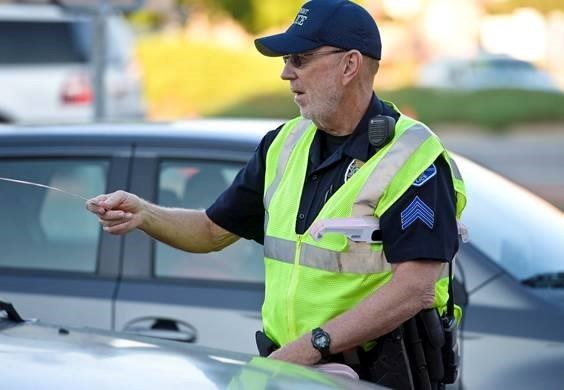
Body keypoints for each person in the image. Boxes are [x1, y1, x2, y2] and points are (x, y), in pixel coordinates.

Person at [86, 0, 466, 388]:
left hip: (366, 375)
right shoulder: (283, 144)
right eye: (286, 60)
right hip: (292, 370)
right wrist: (145, 214)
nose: (286, 73)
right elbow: (211, 230)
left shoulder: (412, 157)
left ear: (349, 65)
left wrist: (312, 346)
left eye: (299, 59)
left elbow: (415, 286)